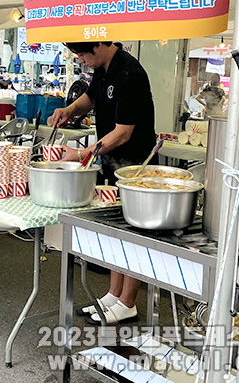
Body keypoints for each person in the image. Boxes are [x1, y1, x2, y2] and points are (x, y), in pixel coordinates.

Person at [51, 41, 156, 325]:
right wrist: (69, 110)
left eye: (81, 54)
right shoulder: (103, 68)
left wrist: (81, 154)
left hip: (135, 166)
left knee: (132, 234)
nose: (80, 60)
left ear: (98, 45)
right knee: (114, 230)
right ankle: (113, 295)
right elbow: (91, 98)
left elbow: (123, 133)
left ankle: (128, 303)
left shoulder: (129, 73)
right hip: (112, 161)